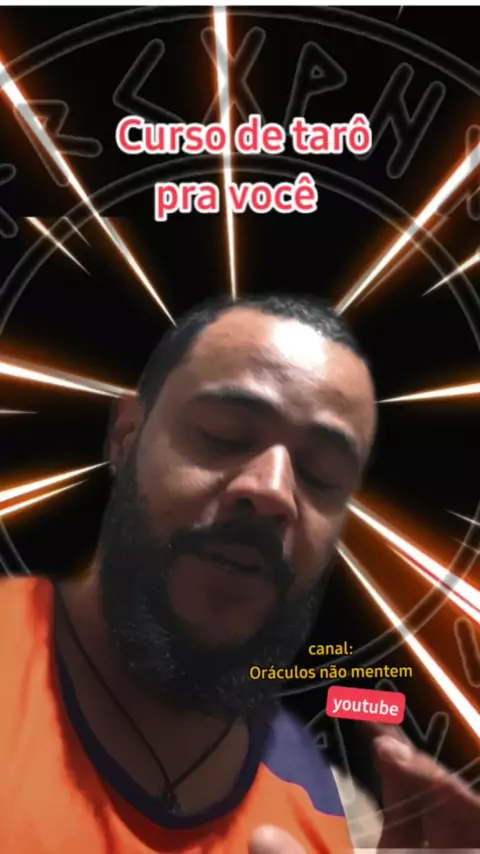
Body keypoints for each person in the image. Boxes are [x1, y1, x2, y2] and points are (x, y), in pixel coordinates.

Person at [0, 293, 478, 854]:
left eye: (321, 475)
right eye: (223, 436)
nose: (273, 490)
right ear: (127, 435)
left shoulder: (346, 823)